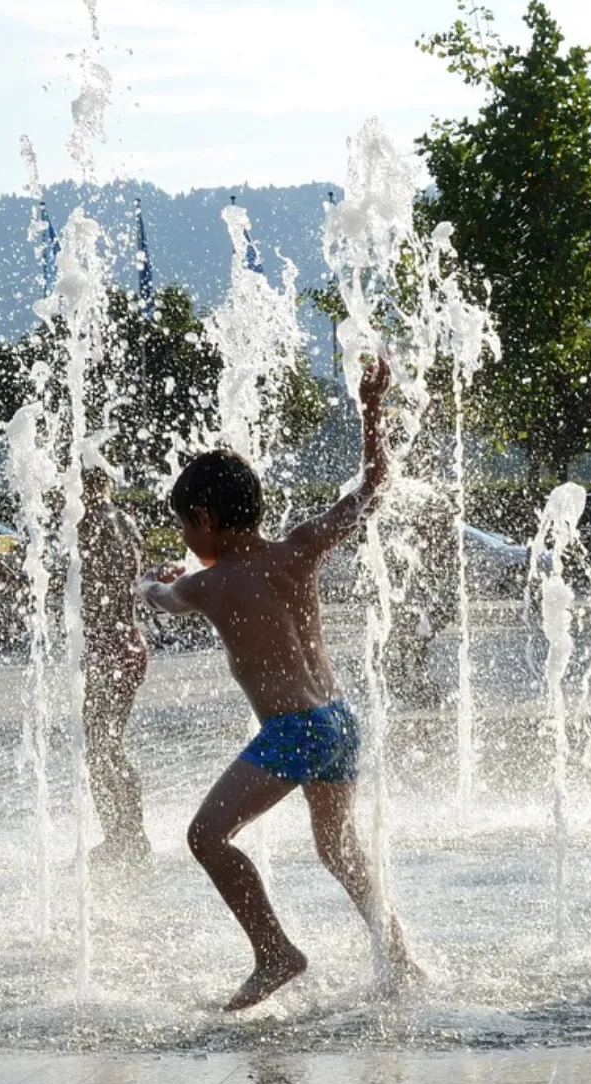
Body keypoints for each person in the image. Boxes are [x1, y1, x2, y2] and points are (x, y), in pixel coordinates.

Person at [139, 356, 419, 1011]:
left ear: (204, 518)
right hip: (338, 720)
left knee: (207, 837)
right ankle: (400, 959)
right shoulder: (300, 547)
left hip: (294, 730)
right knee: (340, 849)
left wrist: (146, 582)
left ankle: (274, 952)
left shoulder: (207, 584)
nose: (185, 536)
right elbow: (376, 486)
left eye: (185, 525)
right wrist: (371, 409)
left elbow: (165, 600)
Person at [79, 466, 152, 867]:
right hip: (129, 643)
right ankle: (132, 832)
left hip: (105, 648)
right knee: (111, 744)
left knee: (98, 747)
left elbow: (81, 586)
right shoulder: (128, 522)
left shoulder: (88, 525)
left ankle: (119, 837)